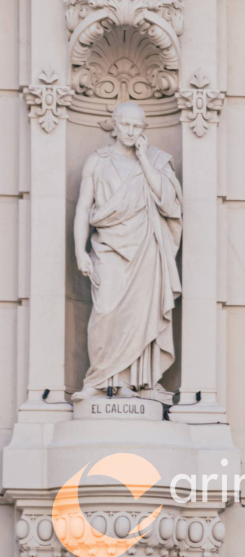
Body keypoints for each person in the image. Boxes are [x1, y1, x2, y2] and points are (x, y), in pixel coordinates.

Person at [72, 101, 183, 401]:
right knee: (105, 311)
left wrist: (144, 159)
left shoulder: (157, 161)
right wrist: (80, 251)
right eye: (126, 125)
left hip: (145, 249)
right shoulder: (97, 161)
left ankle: (131, 382)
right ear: (115, 125)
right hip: (107, 248)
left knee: (139, 316)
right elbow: (84, 207)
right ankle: (97, 378)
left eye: (137, 126)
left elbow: (168, 203)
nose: (131, 131)